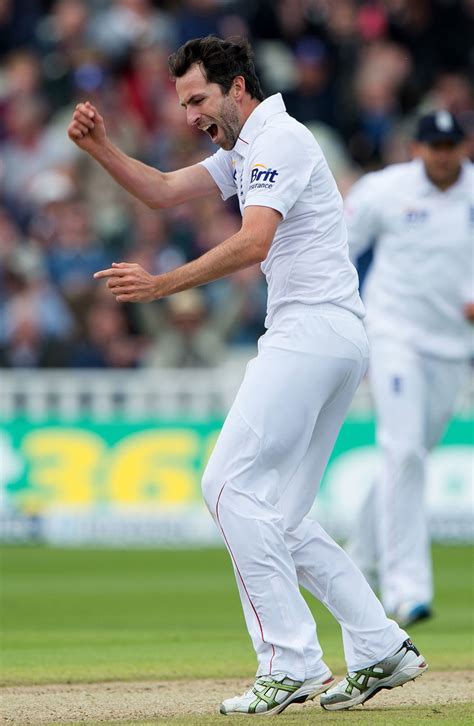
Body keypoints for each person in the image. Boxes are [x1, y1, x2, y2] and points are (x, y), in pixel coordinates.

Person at [67, 36, 427, 715]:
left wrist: (162, 285)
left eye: (198, 99)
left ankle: (289, 661)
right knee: (282, 519)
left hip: (310, 331)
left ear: (236, 88)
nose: (189, 115)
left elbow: (256, 240)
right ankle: (380, 646)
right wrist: (100, 149)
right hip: (332, 334)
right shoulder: (248, 147)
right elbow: (167, 190)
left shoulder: (279, 140)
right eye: (181, 103)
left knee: (227, 485)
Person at [344, 110, 474, 627]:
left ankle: (360, 557)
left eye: (451, 146)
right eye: (433, 146)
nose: (442, 156)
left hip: (451, 345)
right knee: (401, 448)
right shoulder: (384, 190)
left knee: (411, 455)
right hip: (393, 333)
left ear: (464, 146)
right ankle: (406, 590)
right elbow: (338, 248)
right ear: (416, 148)